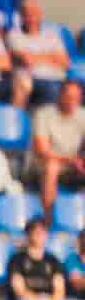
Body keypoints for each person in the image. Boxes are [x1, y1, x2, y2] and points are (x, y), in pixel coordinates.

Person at [8, 217, 85, 300]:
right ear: (29, 235)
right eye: (37, 232)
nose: (41, 236)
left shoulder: (53, 260)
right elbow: (19, 289)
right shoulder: (17, 259)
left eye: (44, 232)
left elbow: (59, 289)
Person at [31, 79, 85, 213]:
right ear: (60, 95)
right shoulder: (43, 114)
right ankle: (48, 218)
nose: (72, 101)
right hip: (43, 164)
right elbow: (41, 150)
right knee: (52, 167)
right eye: (69, 97)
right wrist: (71, 160)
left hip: (73, 164)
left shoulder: (83, 115)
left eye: (76, 98)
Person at [7, 0, 70, 110]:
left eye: (34, 14)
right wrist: (51, 57)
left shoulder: (52, 36)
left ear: (40, 15)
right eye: (27, 14)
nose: (31, 18)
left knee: (64, 89)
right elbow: (27, 60)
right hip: (29, 79)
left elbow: (65, 62)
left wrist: (36, 57)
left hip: (55, 79)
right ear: (22, 17)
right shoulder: (15, 35)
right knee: (25, 85)